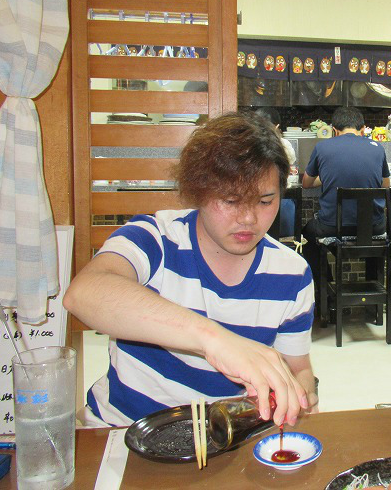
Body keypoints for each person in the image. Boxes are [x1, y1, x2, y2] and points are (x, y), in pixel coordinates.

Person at [64, 112, 317, 427]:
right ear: (199, 191)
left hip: (221, 438)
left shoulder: (292, 274)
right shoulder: (155, 238)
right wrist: (216, 341)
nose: (248, 219)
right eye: (230, 200)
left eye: (265, 202)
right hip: (122, 430)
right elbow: (83, 293)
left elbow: (299, 369)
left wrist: (299, 393)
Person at [301, 106, 390, 291]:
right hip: (373, 228)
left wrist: (327, 177)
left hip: (331, 228)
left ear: (334, 130)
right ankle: (374, 294)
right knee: (372, 226)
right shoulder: (377, 148)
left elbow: (306, 183)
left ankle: (325, 289)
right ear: (362, 129)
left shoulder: (322, 147)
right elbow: (385, 186)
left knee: (307, 235)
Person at [256, 106, 297, 237]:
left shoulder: (246, 145)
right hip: (281, 204)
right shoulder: (284, 145)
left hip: (253, 204)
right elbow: (290, 167)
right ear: (277, 126)